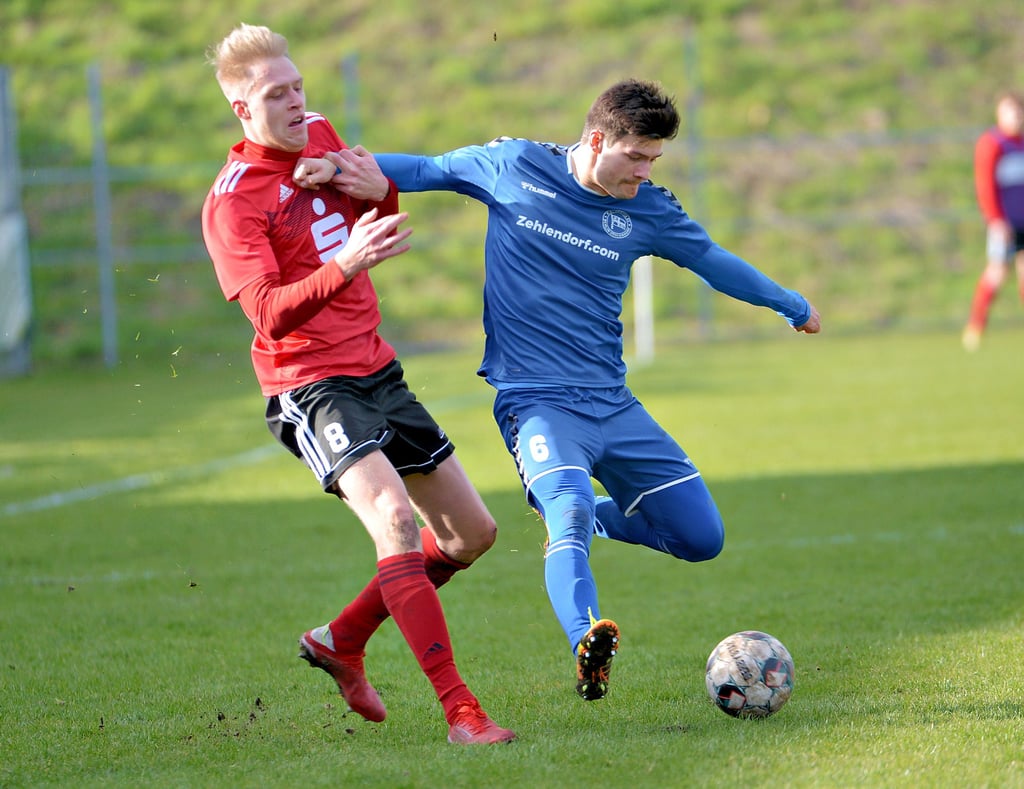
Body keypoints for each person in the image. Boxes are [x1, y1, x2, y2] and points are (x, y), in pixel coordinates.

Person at [299, 79, 820, 702]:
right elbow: (426, 169)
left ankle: (578, 522)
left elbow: (712, 260)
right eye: (636, 156)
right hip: (536, 403)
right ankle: (585, 636)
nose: (645, 171)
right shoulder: (514, 164)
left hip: (614, 404)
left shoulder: (649, 209)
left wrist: (789, 304)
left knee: (700, 538)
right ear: (596, 140)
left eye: (655, 159)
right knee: (568, 509)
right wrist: (338, 166)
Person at [200, 23, 514, 745]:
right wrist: (345, 263)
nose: (295, 103)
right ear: (242, 109)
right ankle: (462, 712)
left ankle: (341, 640)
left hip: (378, 367)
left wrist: (381, 192)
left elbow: (382, 217)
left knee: (472, 534)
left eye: (298, 87)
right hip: (309, 384)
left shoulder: (320, 135)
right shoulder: (233, 201)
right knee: (397, 521)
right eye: (276, 95)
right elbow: (267, 314)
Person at [962, 90, 1024, 351]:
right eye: (1011, 110)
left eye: (1019, 110)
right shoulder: (993, 143)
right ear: (999, 114)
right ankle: (975, 327)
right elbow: (985, 186)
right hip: (1005, 223)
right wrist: (996, 220)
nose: (1017, 116)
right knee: (997, 273)